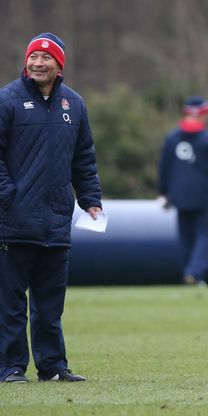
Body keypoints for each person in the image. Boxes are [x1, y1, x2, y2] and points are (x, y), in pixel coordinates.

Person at [0, 33, 103, 383]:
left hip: (56, 221)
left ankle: (53, 367)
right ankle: (11, 367)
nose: (38, 63)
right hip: (12, 220)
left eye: (46, 58)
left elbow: (84, 157)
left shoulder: (73, 104)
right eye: (33, 57)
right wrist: (7, 194)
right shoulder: (7, 100)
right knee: (10, 304)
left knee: (49, 305)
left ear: (60, 65)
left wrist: (90, 199)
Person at [158, 95, 208, 286]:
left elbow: (164, 167)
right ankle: (194, 272)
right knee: (206, 236)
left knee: (185, 237)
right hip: (203, 195)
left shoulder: (172, 137)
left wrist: (163, 192)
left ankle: (189, 273)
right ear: (203, 114)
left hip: (178, 195)